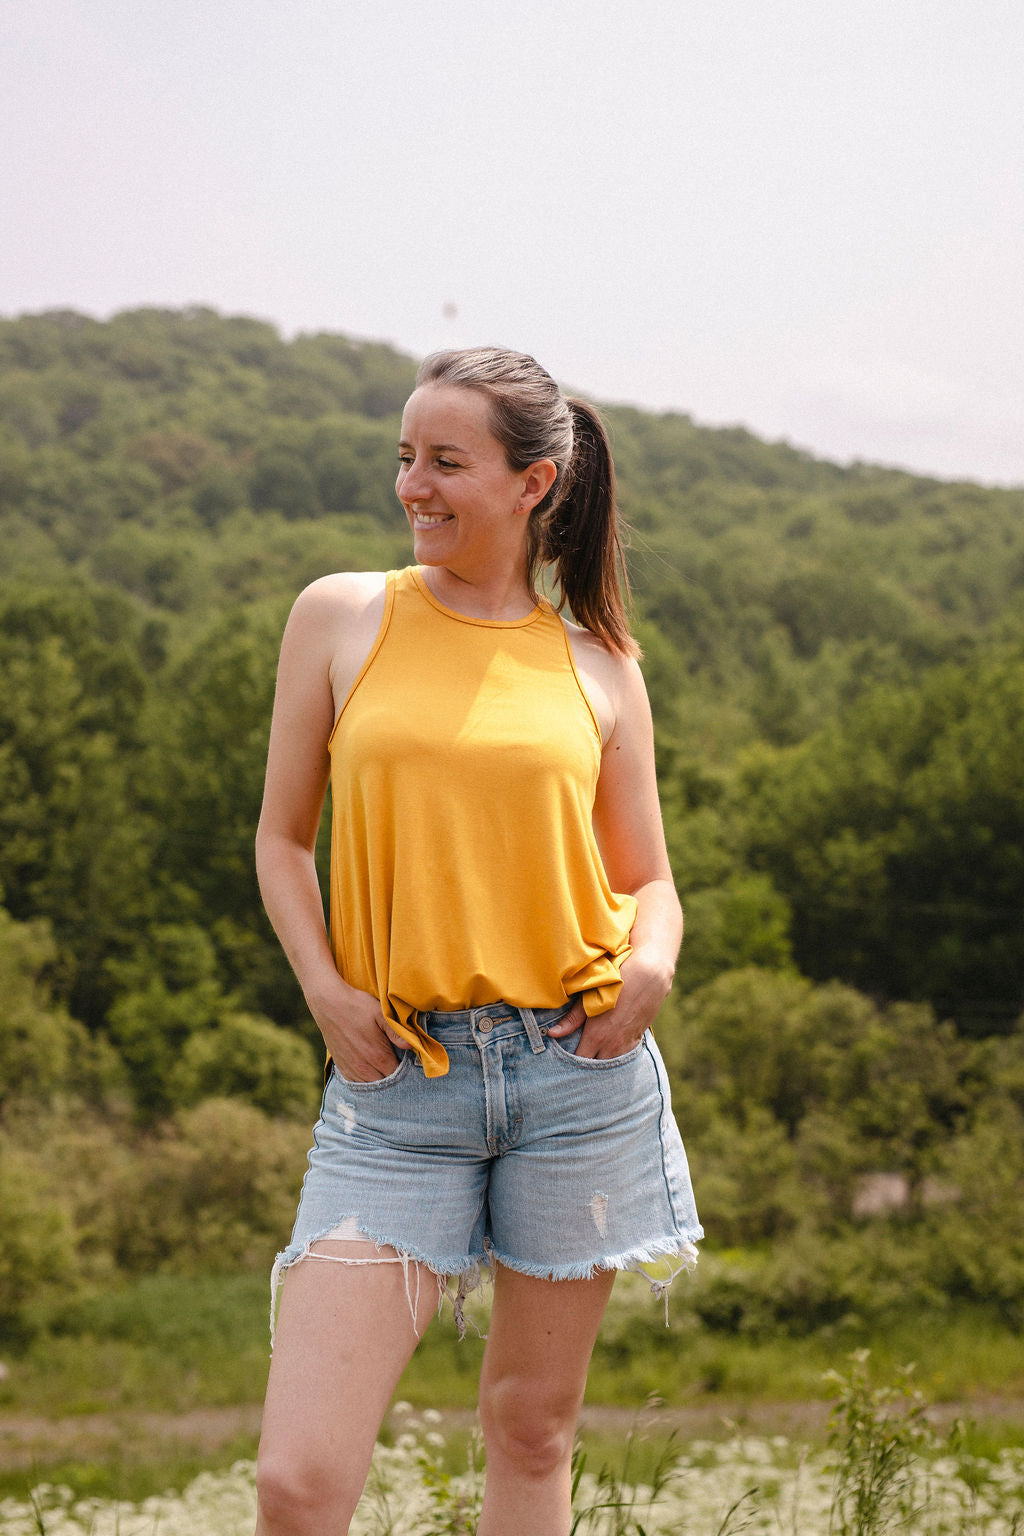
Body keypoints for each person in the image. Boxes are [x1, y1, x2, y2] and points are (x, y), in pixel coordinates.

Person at [252, 346, 702, 1536]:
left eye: (446, 461)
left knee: (531, 1428)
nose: (414, 486)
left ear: (533, 483)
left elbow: (646, 878)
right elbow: (282, 843)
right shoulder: (343, 615)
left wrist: (650, 965)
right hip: (396, 1086)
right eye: (405, 457)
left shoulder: (600, 662)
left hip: (577, 1080)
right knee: (299, 1484)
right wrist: (327, 994)